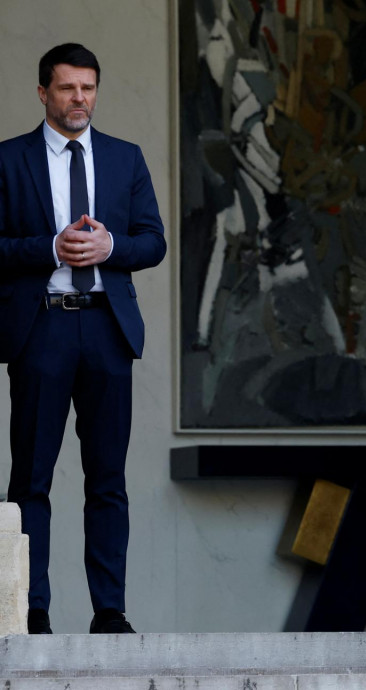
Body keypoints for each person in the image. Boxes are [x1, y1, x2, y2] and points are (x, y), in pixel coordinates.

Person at [0, 43, 166, 634]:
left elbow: (154, 241)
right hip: (39, 326)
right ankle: (31, 609)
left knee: (108, 478)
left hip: (106, 327)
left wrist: (111, 247)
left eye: (88, 88)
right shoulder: (8, 159)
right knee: (31, 480)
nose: (80, 99)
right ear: (43, 92)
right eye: (68, 88)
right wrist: (49, 248)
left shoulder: (125, 158)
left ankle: (110, 612)